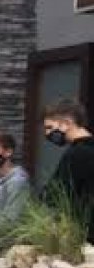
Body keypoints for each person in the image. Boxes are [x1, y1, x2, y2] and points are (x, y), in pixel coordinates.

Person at [42, 99, 94, 242]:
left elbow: (57, 194)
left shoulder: (77, 154)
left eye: (49, 127)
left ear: (66, 123)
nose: (46, 134)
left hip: (83, 235)